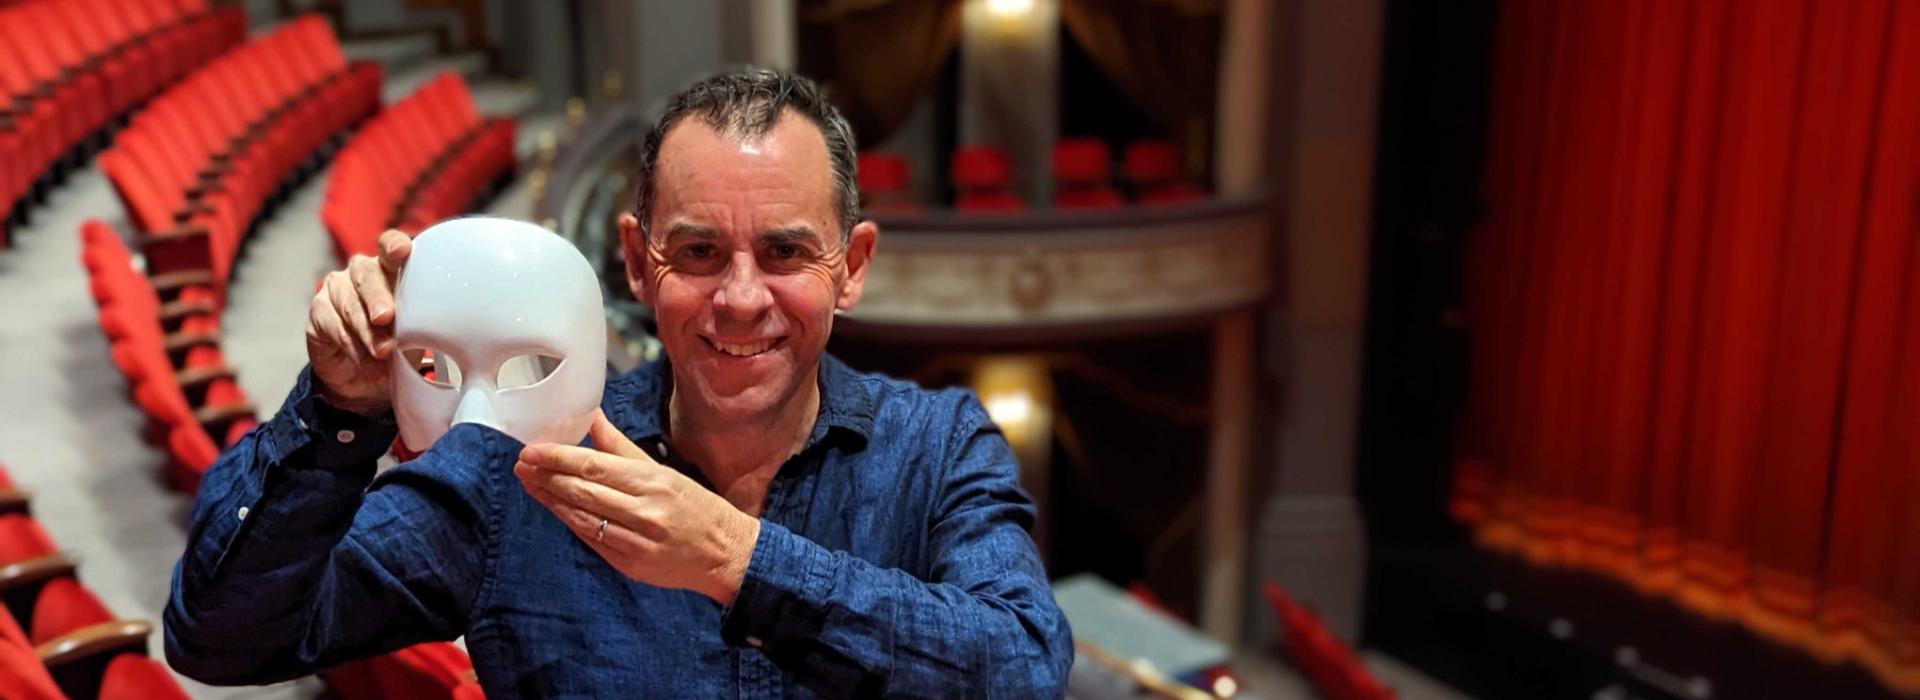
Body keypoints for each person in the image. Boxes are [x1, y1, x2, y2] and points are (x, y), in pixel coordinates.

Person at [164, 68, 1073, 698]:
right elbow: (222, 637)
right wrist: (338, 414)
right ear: (638, 263)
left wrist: (735, 559)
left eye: (787, 251)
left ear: (854, 263)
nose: (742, 298)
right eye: (699, 252)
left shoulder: (939, 444)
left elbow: (1024, 668)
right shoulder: (516, 466)